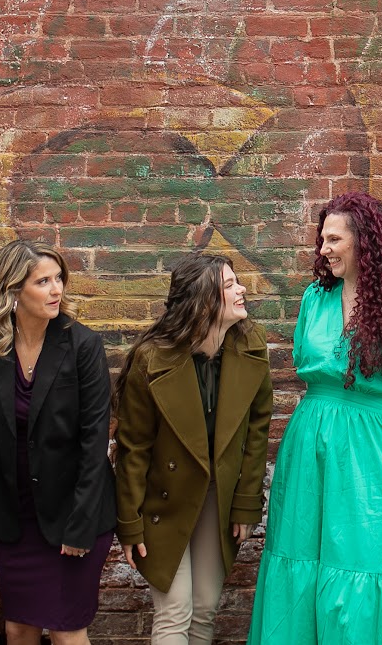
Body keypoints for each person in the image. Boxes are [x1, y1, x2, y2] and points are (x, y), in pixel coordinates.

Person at [246, 191, 382, 645]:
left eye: (334, 239)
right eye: (322, 239)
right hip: (311, 453)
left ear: (366, 241)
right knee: (302, 558)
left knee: (373, 563)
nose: (323, 249)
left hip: (381, 460)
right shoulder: (315, 299)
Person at [114, 252, 274, 645]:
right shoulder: (152, 359)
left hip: (218, 497)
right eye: (230, 285)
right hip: (163, 499)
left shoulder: (250, 346)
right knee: (175, 611)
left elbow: (257, 433)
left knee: (203, 609)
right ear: (203, 303)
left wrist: (246, 504)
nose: (242, 290)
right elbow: (133, 448)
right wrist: (129, 523)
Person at [0, 239, 118, 644]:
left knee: (67, 632)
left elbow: (94, 441)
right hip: (17, 514)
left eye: (58, 279)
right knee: (18, 628)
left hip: (73, 512)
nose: (56, 290)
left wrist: (80, 526)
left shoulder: (82, 344)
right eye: (43, 281)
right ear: (13, 289)